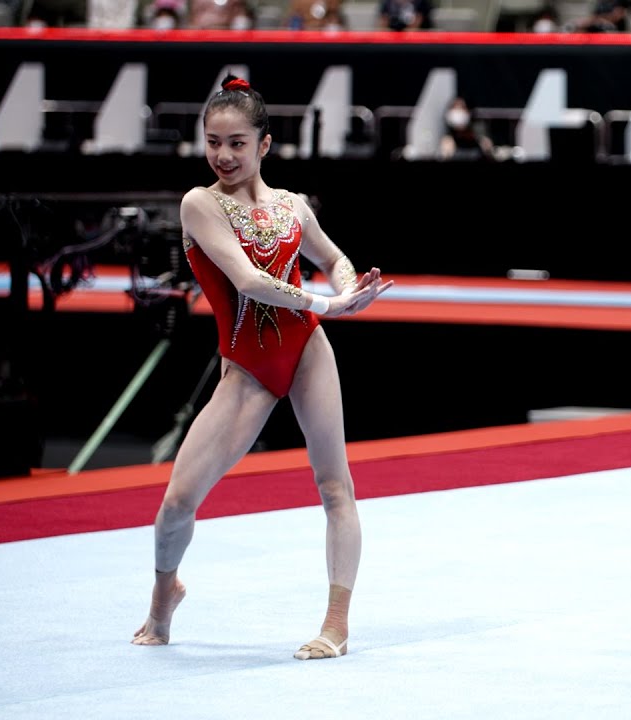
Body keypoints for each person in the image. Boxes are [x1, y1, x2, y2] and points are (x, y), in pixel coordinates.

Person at [131, 75, 393, 661]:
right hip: (247, 365)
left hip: (307, 352)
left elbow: (332, 257)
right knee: (176, 503)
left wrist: (350, 288)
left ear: (264, 145)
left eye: (237, 143)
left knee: (336, 487)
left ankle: (336, 625)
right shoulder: (200, 204)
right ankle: (163, 592)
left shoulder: (292, 206)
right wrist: (331, 303)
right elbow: (249, 281)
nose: (223, 155)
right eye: (213, 142)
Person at [438, 96, 493, 161]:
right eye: (454, 107)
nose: (457, 112)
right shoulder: (448, 143)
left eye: (461, 107)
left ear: (469, 112)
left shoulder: (482, 141)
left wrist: (489, 152)